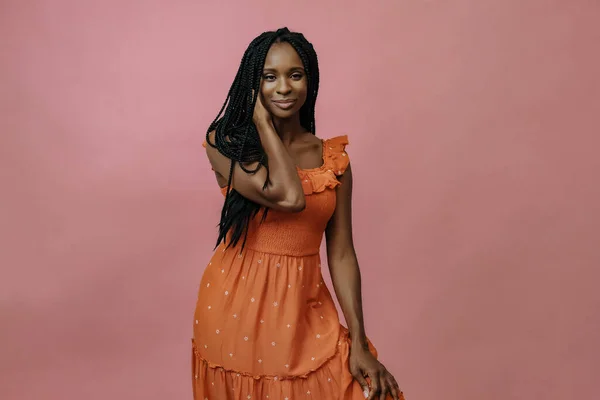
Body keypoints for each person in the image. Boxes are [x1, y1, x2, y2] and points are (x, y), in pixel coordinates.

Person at [193, 27, 405, 400]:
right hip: (235, 312)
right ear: (253, 84)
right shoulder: (225, 145)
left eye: (295, 75)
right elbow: (289, 196)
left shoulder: (333, 159)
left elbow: (341, 253)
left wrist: (358, 340)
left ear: (310, 79)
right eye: (269, 77)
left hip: (305, 312)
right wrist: (262, 124)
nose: (284, 88)